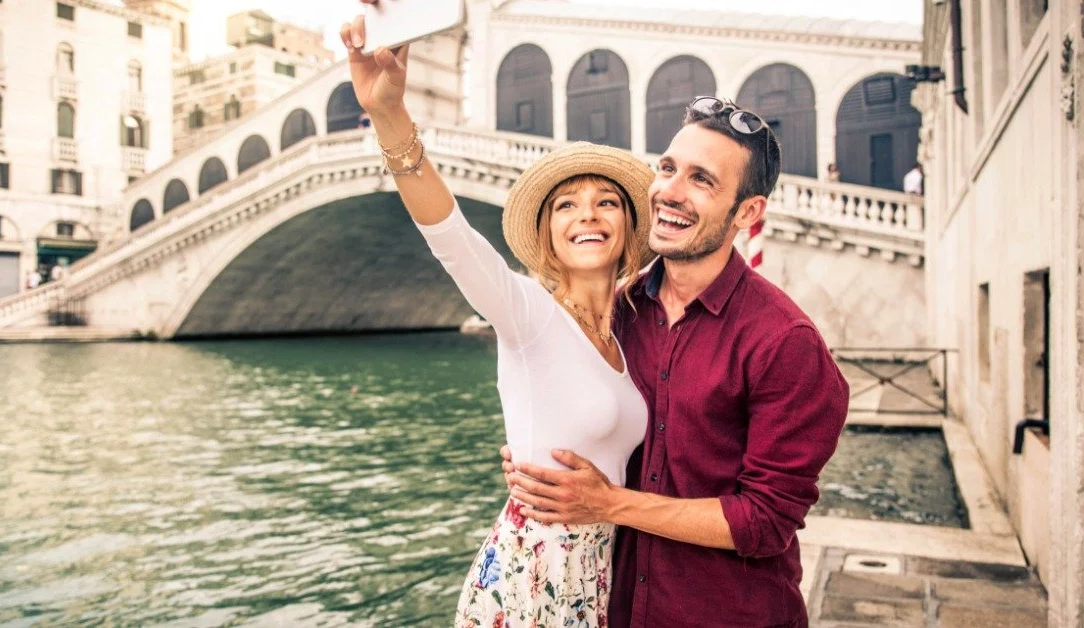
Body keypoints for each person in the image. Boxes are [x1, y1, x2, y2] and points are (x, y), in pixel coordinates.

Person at [341, 9, 654, 625]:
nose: (586, 215)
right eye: (566, 204)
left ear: (627, 226)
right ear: (548, 232)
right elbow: (450, 235)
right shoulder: (528, 313)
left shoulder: (628, 332)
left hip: (600, 573)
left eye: (605, 202)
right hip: (532, 572)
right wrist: (388, 116)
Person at [502, 96, 851, 627]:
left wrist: (610, 503)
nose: (669, 192)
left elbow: (763, 522)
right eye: (667, 168)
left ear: (748, 212)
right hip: (616, 611)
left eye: (701, 180)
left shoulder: (786, 343)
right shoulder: (619, 315)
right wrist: (538, 456)